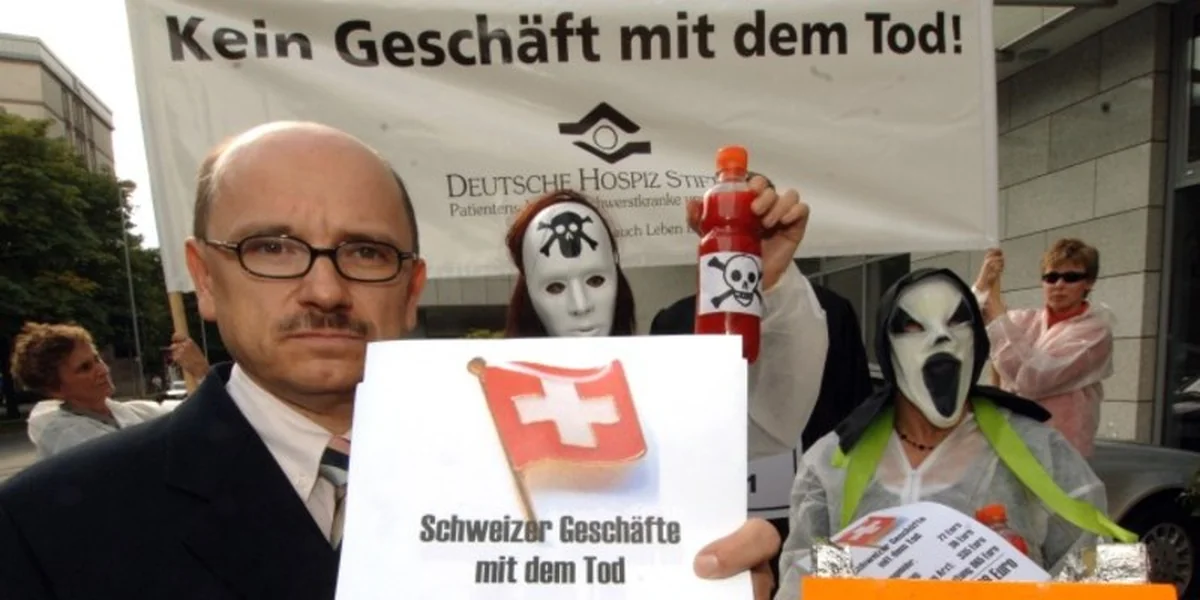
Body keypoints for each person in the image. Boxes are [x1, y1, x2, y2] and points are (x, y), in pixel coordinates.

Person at [0, 121, 784, 600]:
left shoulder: (550, 470)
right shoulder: (51, 528)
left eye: (365, 252)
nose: (324, 289)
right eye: (272, 247)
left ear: (411, 288)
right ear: (204, 277)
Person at [774, 268, 1127, 600]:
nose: (942, 336)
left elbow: (1097, 569)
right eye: (913, 325)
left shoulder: (1039, 450)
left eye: (958, 320)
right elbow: (806, 583)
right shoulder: (832, 463)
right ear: (886, 347)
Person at [503, 187, 829, 460]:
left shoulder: (663, 396)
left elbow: (770, 425)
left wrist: (766, 282)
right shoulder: (487, 405)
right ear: (529, 294)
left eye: (596, 280)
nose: (580, 306)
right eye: (555, 287)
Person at [652, 281, 873, 593]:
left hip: (815, 528)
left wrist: (836, 584)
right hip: (716, 541)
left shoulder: (829, 312)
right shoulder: (676, 321)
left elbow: (853, 438)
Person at [972, 239, 1114, 457]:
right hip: (1012, 445)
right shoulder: (1024, 320)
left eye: (1071, 277)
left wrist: (998, 319)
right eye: (1051, 277)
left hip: (1061, 452)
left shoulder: (1095, 333)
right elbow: (962, 324)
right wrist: (982, 284)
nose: (1059, 285)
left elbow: (1034, 379)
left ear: (1089, 282)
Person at [12, 322, 172, 459]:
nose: (103, 370)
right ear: (56, 388)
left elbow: (176, 419)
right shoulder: (65, 437)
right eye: (85, 368)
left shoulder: (126, 411)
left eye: (97, 359)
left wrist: (189, 365)